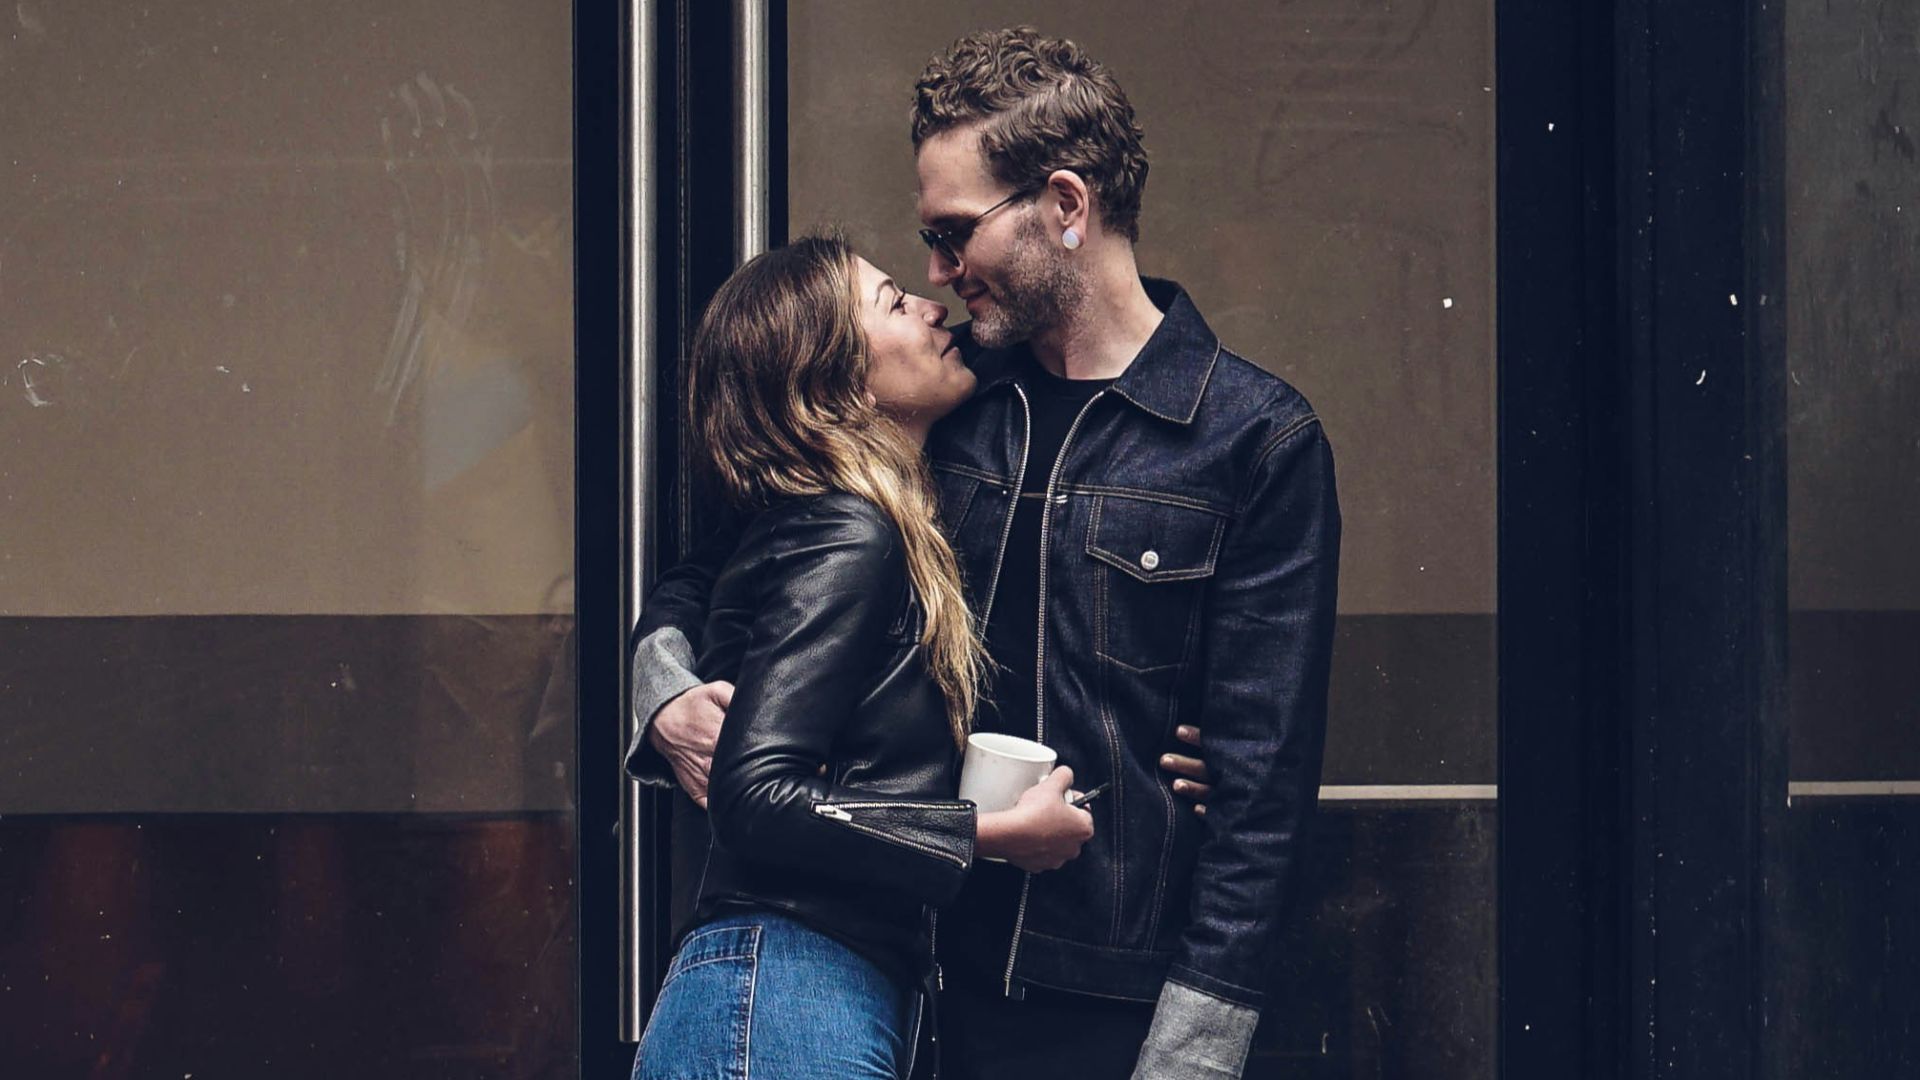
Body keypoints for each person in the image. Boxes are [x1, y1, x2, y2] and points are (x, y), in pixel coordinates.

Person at [635, 27, 1341, 1080]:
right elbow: (725, 563)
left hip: (1105, 1002)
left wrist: (1194, 1056)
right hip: (904, 977)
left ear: (1065, 206)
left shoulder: (1251, 439)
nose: (937, 271)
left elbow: (1260, 805)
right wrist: (663, 691)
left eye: (955, 232)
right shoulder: (944, 401)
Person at [626, 235, 1095, 1080]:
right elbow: (757, 797)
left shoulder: (843, 524)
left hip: (800, 991)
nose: (931, 303)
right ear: (837, 383)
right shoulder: (846, 531)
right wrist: (992, 835)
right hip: (786, 991)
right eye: (891, 303)